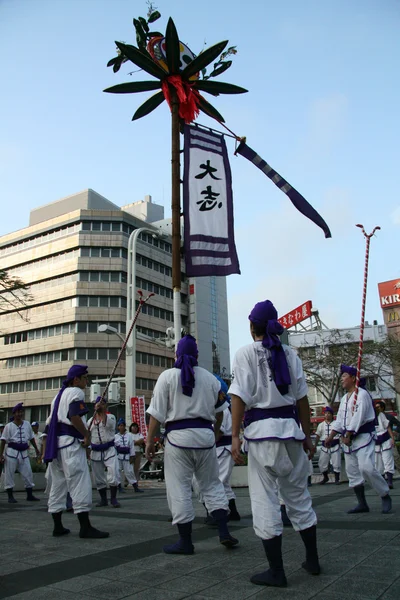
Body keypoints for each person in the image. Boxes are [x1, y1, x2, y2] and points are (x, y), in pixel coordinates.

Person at [230, 300, 319, 588]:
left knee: (265, 500)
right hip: (291, 433)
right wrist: (307, 436)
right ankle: (313, 560)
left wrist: (234, 436)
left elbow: (239, 397)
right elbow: (303, 400)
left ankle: (277, 571)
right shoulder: (290, 353)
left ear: (251, 326)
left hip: (262, 435)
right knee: (298, 498)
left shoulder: (245, 353)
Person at [146, 334, 239, 554]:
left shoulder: (167, 377)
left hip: (178, 440)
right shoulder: (210, 379)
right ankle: (224, 531)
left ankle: (185, 542)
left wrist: (150, 440)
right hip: (206, 439)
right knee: (212, 485)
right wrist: (215, 433)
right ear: (197, 355)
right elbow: (220, 412)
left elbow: (156, 415)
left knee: (179, 488)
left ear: (176, 354)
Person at [45, 364, 109, 538]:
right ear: (76, 379)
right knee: (79, 482)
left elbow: (48, 424)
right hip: (70, 446)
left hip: (56, 446)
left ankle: (57, 526)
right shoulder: (76, 393)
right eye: (84, 378)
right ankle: (85, 527)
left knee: (58, 485)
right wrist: (86, 434)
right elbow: (73, 416)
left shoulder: (57, 397)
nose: (86, 381)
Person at [325, 365, 392, 514]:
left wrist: (348, 434)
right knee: (352, 472)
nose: (342, 378)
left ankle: (385, 494)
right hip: (348, 441)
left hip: (362, 437)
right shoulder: (344, 398)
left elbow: (358, 417)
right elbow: (340, 419)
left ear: (353, 378)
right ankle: (362, 504)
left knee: (366, 467)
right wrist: (331, 435)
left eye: (344, 376)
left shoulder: (362, 395)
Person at [0, 403, 41, 503]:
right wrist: (0, 454)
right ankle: (10, 496)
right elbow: (3, 440)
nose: (19, 414)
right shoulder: (9, 426)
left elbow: (31, 438)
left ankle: (29, 495)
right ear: (14, 414)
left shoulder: (27, 424)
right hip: (12, 452)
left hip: (24, 452)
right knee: (9, 474)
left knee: (28, 473)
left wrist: (36, 449)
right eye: (17, 412)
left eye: (21, 412)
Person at [87, 396, 120, 508]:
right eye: (98, 404)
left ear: (106, 406)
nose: (100, 405)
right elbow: (87, 436)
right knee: (98, 477)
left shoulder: (111, 417)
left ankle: (114, 498)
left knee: (113, 473)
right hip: (95, 450)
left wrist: (101, 412)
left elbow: (107, 424)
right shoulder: (90, 421)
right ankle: (103, 499)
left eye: (103, 404)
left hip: (109, 450)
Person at [315, 407, 341, 485]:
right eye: (326, 413)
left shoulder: (336, 423)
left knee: (336, 463)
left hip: (335, 445)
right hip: (324, 447)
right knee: (322, 463)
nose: (327, 415)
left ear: (332, 415)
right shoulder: (321, 425)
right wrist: (315, 446)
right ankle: (325, 477)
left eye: (329, 413)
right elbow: (318, 435)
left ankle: (337, 479)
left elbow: (340, 434)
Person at [115, 418, 142, 493]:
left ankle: (135, 487)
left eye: (122, 425)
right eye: (120, 425)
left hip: (127, 456)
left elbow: (131, 446)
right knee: (118, 471)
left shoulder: (129, 435)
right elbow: (114, 447)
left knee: (129, 471)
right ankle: (119, 487)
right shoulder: (116, 436)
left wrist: (132, 456)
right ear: (118, 427)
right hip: (119, 456)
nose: (121, 427)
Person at [374, 401, 396, 489]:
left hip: (385, 440)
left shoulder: (381, 415)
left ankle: (390, 482)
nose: (377, 409)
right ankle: (382, 483)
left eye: (378, 407)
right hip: (376, 442)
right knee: (378, 464)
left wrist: (392, 438)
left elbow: (388, 427)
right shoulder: (369, 417)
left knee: (388, 461)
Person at [129, 422, 145, 491]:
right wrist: (136, 443)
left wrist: (134, 442)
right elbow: (130, 442)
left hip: (138, 453)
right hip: (130, 453)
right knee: (128, 468)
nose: (135, 428)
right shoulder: (128, 434)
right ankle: (126, 481)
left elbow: (141, 441)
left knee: (136, 469)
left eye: (136, 427)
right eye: (133, 427)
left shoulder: (139, 434)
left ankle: (136, 483)